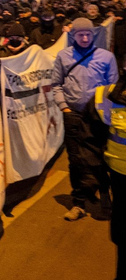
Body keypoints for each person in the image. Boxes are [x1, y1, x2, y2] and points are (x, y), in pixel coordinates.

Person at [53, 17, 118, 221]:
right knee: (75, 161)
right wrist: (64, 107)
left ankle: (105, 192)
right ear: (73, 35)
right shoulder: (63, 56)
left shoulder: (106, 57)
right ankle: (79, 203)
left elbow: (113, 88)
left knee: (100, 157)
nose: (83, 37)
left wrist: (107, 113)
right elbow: (56, 84)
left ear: (93, 35)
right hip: (73, 115)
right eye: (80, 34)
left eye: (87, 34)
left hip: (99, 117)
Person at [92, 78, 125, 277]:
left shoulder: (106, 93)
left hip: (119, 172)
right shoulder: (107, 93)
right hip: (119, 172)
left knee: (122, 223)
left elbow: (94, 137)